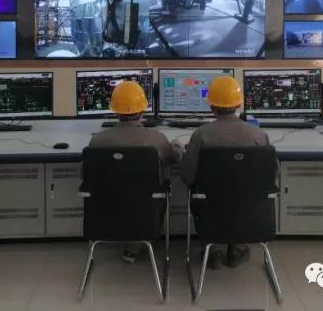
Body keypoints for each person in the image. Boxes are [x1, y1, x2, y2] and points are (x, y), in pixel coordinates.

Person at [180, 75, 273, 270]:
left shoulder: (201, 135)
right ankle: (237, 249)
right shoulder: (258, 135)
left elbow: (187, 177)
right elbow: (272, 174)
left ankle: (212, 250)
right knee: (240, 195)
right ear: (238, 104)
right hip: (248, 209)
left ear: (211, 106)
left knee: (206, 197)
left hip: (210, 210)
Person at [87, 80, 183, 263]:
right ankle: (138, 242)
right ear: (142, 110)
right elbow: (174, 158)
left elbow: (85, 176)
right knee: (154, 192)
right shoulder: (156, 139)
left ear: (115, 110)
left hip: (106, 212)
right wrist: (177, 146)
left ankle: (132, 242)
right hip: (145, 210)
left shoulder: (97, 141)